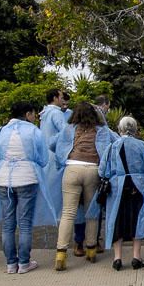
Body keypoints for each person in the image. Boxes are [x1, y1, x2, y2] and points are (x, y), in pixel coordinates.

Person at [0, 101, 56, 274]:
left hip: (3, 178)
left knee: (8, 224)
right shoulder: (34, 131)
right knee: (25, 223)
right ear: (27, 114)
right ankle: (24, 262)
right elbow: (43, 159)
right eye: (33, 114)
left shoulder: (1, 131)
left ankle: (11, 263)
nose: (35, 118)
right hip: (27, 177)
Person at [51, 102, 113, 270]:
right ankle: (91, 250)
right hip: (93, 170)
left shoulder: (68, 129)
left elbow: (51, 144)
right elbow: (116, 142)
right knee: (91, 212)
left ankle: (61, 253)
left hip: (71, 168)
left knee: (68, 213)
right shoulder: (102, 130)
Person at [101, 116, 144, 271]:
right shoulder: (143, 146)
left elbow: (103, 170)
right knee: (138, 220)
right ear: (135, 129)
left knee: (116, 220)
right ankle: (136, 257)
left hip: (116, 188)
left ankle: (117, 258)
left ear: (119, 129)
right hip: (138, 187)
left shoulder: (111, 147)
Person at [40, 87, 85, 256]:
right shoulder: (57, 114)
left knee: (61, 206)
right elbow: (67, 133)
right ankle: (78, 242)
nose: (63, 100)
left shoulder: (43, 114)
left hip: (48, 163)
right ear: (54, 98)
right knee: (74, 205)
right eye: (61, 97)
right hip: (61, 162)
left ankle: (64, 245)